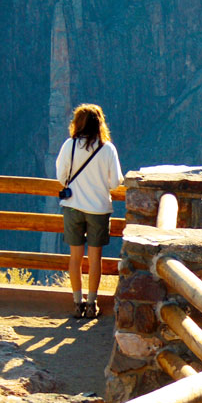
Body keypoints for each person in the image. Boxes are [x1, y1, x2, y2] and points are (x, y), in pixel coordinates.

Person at [56, 103, 123, 318]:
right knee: (95, 259)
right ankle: (92, 303)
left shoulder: (70, 145)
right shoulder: (107, 149)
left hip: (73, 207)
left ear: (77, 123)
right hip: (98, 210)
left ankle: (77, 302)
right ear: (100, 124)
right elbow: (115, 182)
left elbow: (61, 176)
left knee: (75, 257)